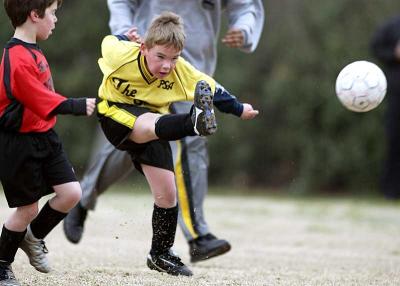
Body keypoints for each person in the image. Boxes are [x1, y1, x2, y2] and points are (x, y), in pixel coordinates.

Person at [63, 0, 265, 263]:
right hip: (144, 68)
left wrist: (245, 27)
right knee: (131, 145)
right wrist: (125, 32)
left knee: (192, 140)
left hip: (189, 69)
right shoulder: (125, 54)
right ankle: (84, 197)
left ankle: (197, 234)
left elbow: (245, 4)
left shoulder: (184, 71)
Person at [0, 0, 96, 285]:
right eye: (53, 13)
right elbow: (37, 98)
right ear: (35, 15)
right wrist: (74, 105)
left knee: (71, 193)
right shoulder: (16, 57)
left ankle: (33, 237)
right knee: (27, 209)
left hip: (45, 136)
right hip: (18, 142)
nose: (55, 19)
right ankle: (2, 265)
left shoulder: (33, 50)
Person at [370, 15, 400, 199]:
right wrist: (395, 54)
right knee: (395, 142)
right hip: (397, 96)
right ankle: (391, 192)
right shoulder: (392, 26)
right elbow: (376, 48)